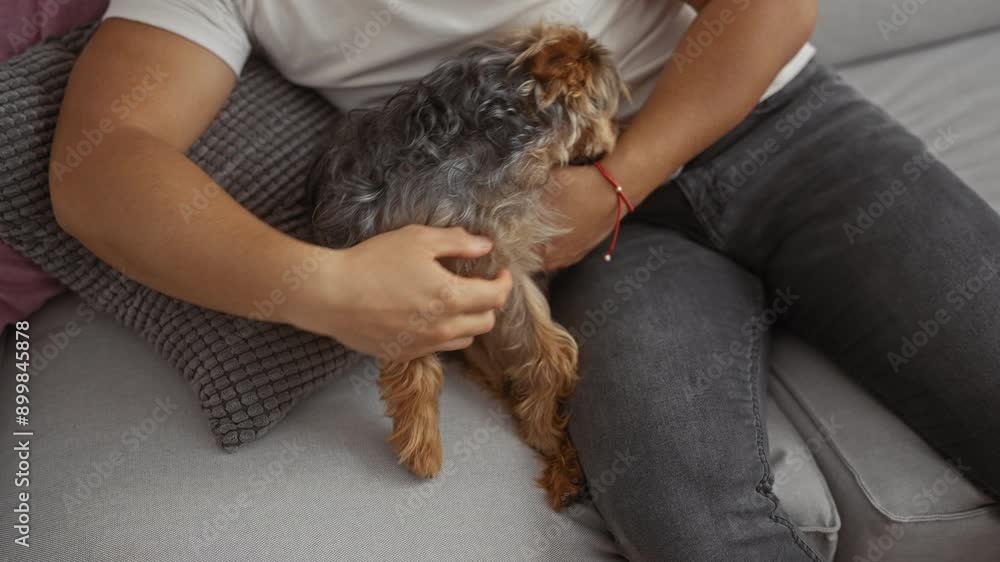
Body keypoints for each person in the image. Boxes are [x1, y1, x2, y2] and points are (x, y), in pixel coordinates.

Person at [50, 1, 999, 560]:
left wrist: (619, 181)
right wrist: (323, 288)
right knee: (686, 523)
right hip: (544, 232)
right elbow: (102, 164)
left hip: (772, 125)